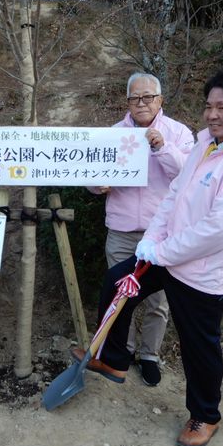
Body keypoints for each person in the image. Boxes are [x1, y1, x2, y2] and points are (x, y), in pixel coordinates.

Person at [72, 69, 223, 446]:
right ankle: (113, 357)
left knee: (199, 345)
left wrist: (160, 251)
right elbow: (174, 195)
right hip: (165, 253)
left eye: (222, 108)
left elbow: (219, 230)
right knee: (118, 282)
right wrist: (151, 240)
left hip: (203, 273)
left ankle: (205, 416)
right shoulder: (205, 144)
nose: (212, 114)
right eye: (209, 106)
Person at [88, 72, 194, 386]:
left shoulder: (178, 133)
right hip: (121, 229)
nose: (141, 103)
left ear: (160, 100)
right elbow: (91, 174)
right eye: (135, 98)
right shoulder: (114, 134)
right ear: (128, 102)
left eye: (148, 97)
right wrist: (97, 186)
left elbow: (189, 176)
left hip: (161, 235)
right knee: (119, 295)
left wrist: (162, 147)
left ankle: (150, 354)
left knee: (158, 301)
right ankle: (122, 352)